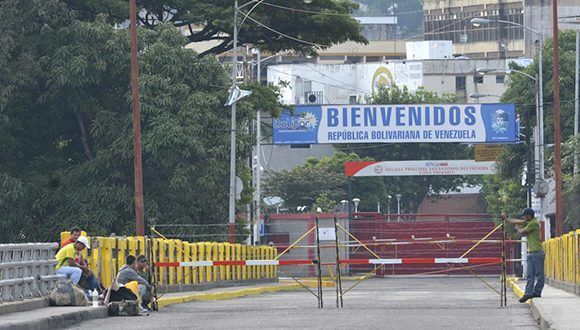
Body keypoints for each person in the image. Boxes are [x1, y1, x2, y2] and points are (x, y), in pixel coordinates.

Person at [501, 208, 545, 303]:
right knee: (530, 275)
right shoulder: (528, 222)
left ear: (529, 215)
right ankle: (528, 292)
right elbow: (518, 221)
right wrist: (507, 219)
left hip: (537, 252)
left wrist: (517, 228)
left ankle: (537, 291)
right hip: (530, 253)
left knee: (539, 274)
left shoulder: (533, 223)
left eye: (525, 216)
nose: (524, 218)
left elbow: (523, 231)